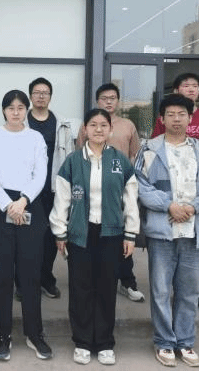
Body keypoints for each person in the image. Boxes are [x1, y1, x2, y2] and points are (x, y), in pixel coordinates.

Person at [136, 94, 199, 368]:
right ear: (162, 119)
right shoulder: (150, 149)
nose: (176, 119)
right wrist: (169, 206)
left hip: (193, 231)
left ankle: (185, 342)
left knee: (188, 291)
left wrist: (194, 207)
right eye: (171, 114)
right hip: (162, 232)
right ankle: (164, 341)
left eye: (181, 114)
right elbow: (140, 184)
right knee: (160, 290)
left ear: (190, 118)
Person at [50, 108, 139, 365]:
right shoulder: (73, 161)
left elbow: (130, 200)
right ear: (85, 129)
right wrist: (60, 231)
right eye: (93, 125)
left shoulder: (120, 161)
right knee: (81, 288)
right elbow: (62, 199)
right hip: (80, 232)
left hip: (111, 232)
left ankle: (104, 343)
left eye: (103, 125)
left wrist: (130, 234)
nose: (98, 129)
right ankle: (82, 341)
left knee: (106, 287)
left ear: (110, 129)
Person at [0, 90, 52, 362]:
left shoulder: (35, 138)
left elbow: (41, 173)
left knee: (30, 275)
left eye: (21, 107)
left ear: (26, 110)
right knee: (0, 277)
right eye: (11, 107)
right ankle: (3, 336)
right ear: (3, 110)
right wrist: (8, 205)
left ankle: (34, 334)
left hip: (29, 203)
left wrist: (23, 201)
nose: (16, 112)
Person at [151, 73, 199, 314]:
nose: (192, 89)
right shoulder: (167, 116)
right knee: (168, 245)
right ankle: (175, 291)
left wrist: (197, 157)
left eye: (195, 86)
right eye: (186, 85)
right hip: (171, 192)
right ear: (176, 90)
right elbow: (156, 149)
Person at [77, 83, 145, 303]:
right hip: (94, 191)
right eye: (104, 98)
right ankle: (97, 280)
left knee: (123, 236)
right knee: (96, 238)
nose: (108, 101)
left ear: (118, 101)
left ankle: (127, 282)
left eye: (112, 97)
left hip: (120, 190)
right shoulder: (87, 125)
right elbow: (80, 155)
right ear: (97, 101)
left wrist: (131, 185)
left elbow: (135, 156)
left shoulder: (128, 125)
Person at [26, 77, 74, 299]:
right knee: (26, 236)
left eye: (45, 92)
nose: (41, 96)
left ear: (50, 97)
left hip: (54, 189)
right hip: (27, 190)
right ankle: (24, 281)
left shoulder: (61, 124)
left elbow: (69, 156)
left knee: (50, 236)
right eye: (37, 92)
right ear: (31, 96)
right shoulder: (22, 122)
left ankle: (46, 278)